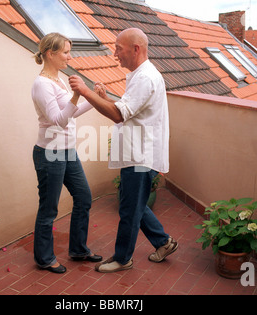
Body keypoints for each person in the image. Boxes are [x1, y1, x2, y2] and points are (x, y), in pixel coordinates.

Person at [69, 28, 178, 273]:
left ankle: (122, 258)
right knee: (136, 204)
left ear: (136, 48)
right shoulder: (140, 76)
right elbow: (125, 109)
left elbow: (118, 114)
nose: (115, 53)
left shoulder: (146, 79)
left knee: (129, 209)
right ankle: (163, 242)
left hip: (140, 156)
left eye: (119, 48)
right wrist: (105, 98)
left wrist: (85, 92)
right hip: (137, 153)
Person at [31, 32, 102, 274]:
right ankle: (44, 258)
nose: (69, 57)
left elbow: (71, 112)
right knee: (49, 208)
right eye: (65, 52)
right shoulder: (41, 84)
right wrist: (77, 94)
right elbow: (58, 120)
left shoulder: (59, 80)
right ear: (50, 54)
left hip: (67, 151)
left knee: (83, 197)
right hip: (50, 153)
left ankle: (78, 249)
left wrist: (94, 98)